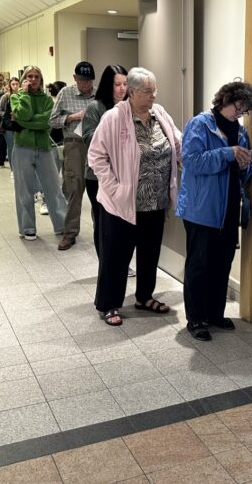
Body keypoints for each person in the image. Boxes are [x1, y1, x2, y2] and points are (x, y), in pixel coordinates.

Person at [87, 67, 181, 326]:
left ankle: (144, 296)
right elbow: (95, 156)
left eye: (155, 90)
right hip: (122, 203)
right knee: (116, 256)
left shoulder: (159, 113)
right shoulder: (113, 118)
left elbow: (177, 142)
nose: (153, 96)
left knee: (150, 253)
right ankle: (109, 304)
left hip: (155, 201)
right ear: (131, 91)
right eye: (148, 91)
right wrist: (114, 187)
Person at [178, 81, 252, 341]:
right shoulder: (200, 124)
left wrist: (245, 163)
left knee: (222, 263)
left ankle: (214, 313)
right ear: (225, 100)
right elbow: (191, 161)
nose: (240, 113)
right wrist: (227, 153)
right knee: (199, 265)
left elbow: (242, 172)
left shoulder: (241, 132)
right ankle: (196, 318)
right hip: (201, 209)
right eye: (239, 107)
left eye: (245, 110)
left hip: (228, 209)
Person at [9, 66, 67, 241]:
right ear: (24, 80)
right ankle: (28, 228)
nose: (33, 80)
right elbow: (24, 113)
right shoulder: (16, 97)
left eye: (36, 77)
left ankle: (61, 225)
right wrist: (25, 95)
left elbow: (46, 122)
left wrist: (25, 122)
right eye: (29, 77)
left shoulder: (48, 100)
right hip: (22, 148)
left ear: (41, 80)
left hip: (44, 147)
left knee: (53, 187)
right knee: (24, 190)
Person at [82, 64, 129, 259]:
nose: (122, 89)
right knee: (103, 223)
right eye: (117, 84)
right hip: (97, 176)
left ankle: (119, 262)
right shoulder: (95, 107)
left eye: (125, 84)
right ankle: (105, 263)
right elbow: (89, 138)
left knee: (121, 222)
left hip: (123, 175)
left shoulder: (129, 108)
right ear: (108, 85)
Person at [50, 62, 97, 251]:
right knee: (74, 189)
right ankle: (69, 233)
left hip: (96, 146)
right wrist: (73, 117)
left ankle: (101, 232)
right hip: (75, 145)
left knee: (99, 192)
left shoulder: (100, 94)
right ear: (75, 79)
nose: (86, 85)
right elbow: (52, 121)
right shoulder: (65, 93)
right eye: (83, 81)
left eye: (89, 81)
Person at [0, 77, 20, 168]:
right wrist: (7, 115)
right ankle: (12, 169)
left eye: (17, 84)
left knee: (19, 147)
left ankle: (18, 167)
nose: (15, 86)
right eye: (13, 84)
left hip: (19, 124)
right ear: (10, 86)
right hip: (8, 125)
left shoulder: (22, 96)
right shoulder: (6, 96)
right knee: (11, 147)